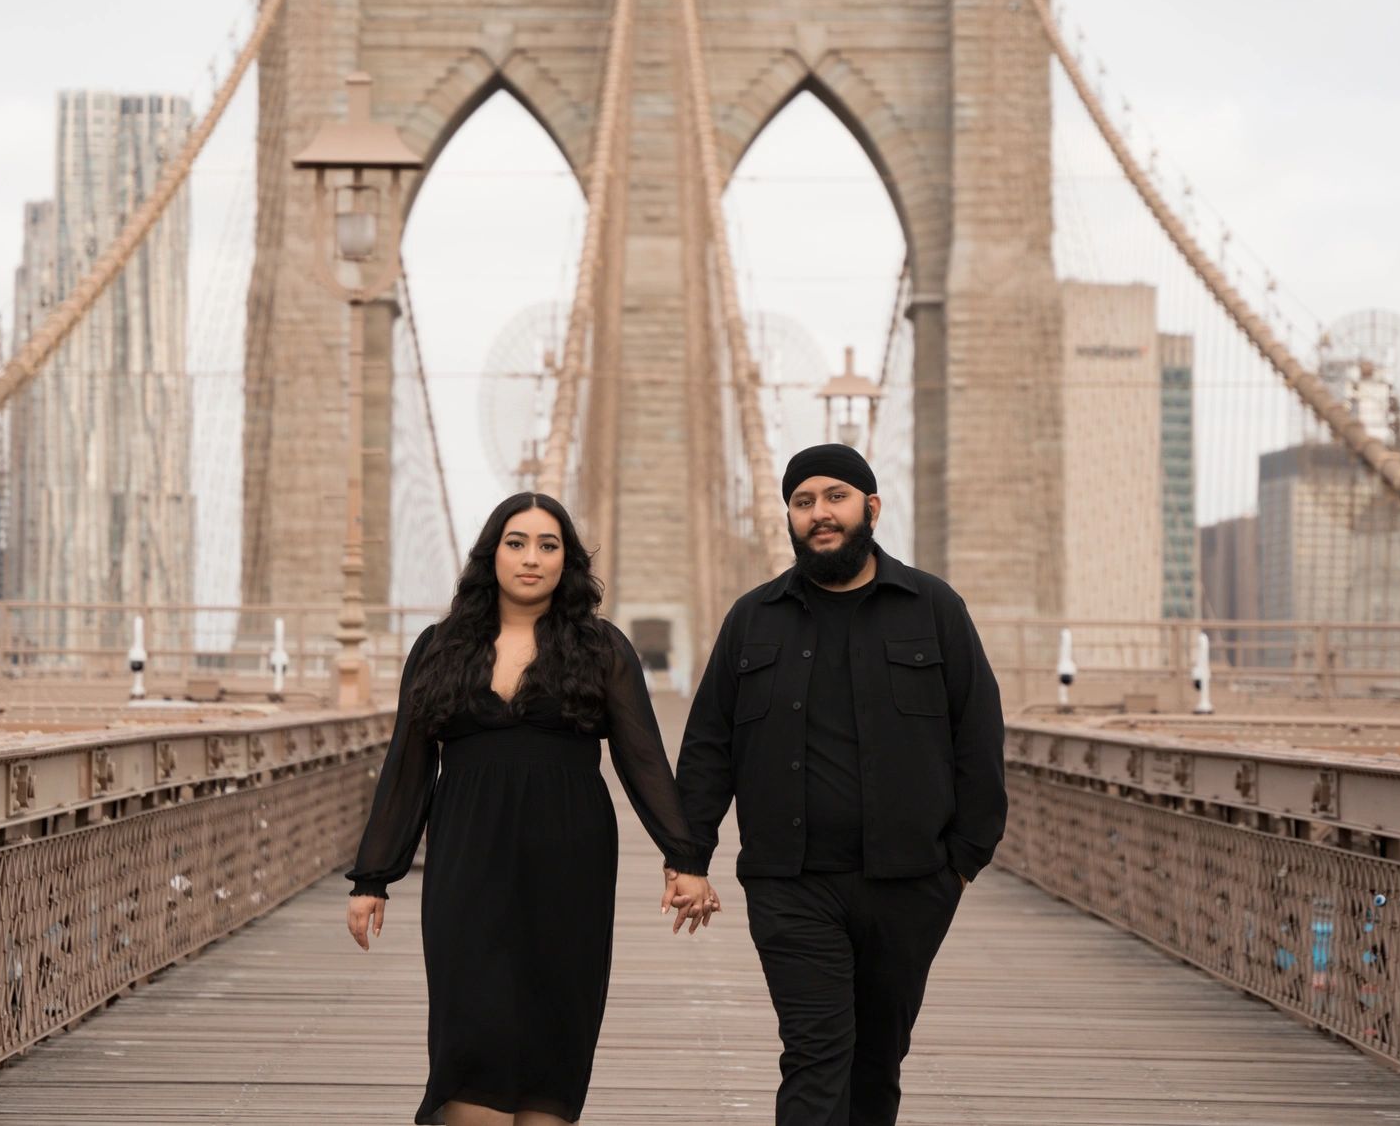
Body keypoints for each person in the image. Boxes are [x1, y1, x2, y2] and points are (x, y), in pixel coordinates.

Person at [347, 491, 723, 1125]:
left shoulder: (601, 648)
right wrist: (372, 877)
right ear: (491, 555)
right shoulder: (439, 646)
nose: (531, 558)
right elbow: (408, 765)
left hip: (569, 856)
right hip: (467, 856)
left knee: (557, 1013)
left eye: (548, 545)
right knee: (471, 1019)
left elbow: (643, 759)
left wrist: (685, 857)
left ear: (566, 561)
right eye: (516, 543)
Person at [677, 443, 1007, 1126]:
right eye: (803, 502)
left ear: (871, 508)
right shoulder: (753, 618)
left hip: (910, 884)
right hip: (789, 883)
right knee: (815, 1053)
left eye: (835, 497)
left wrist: (962, 865)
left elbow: (978, 738)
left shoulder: (935, 609)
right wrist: (688, 857)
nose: (819, 514)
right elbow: (709, 746)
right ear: (790, 518)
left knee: (876, 1062)